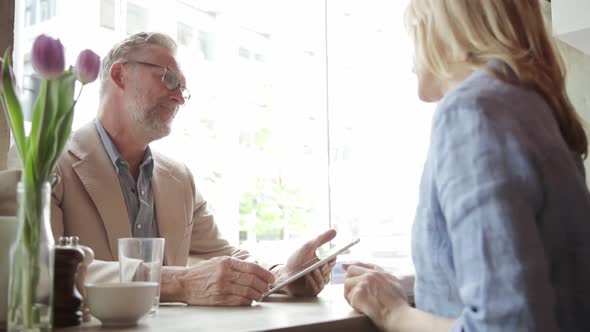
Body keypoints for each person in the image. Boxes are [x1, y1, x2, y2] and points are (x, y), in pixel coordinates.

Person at [343, 0, 590, 331]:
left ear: (441, 25)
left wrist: (392, 312)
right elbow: (524, 274)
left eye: (413, 29)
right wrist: (407, 287)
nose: (412, 59)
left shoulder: (472, 112)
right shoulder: (540, 115)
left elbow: (505, 326)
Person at [51, 32, 336, 306]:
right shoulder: (47, 164)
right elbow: (40, 269)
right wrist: (180, 283)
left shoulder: (179, 179)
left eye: (182, 89)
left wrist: (282, 275)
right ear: (119, 75)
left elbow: (223, 254)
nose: (179, 97)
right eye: (169, 79)